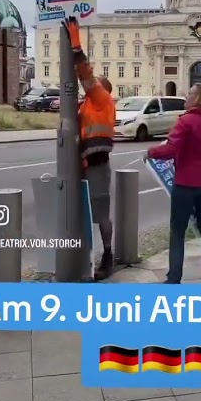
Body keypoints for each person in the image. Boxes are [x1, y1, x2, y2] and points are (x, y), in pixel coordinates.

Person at [148, 83, 201, 284]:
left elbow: (170, 149)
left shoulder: (185, 122)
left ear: (200, 99)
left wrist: (150, 152)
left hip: (185, 183)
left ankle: (174, 278)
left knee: (178, 232)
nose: (186, 96)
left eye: (191, 94)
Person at [62, 16, 117, 280]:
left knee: (100, 214)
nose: (91, 86)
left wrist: (76, 44)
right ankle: (89, 259)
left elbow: (85, 75)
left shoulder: (102, 98)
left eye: (96, 84)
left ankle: (108, 255)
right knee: (87, 215)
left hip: (97, 165)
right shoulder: (89, 105)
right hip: (85, 165)